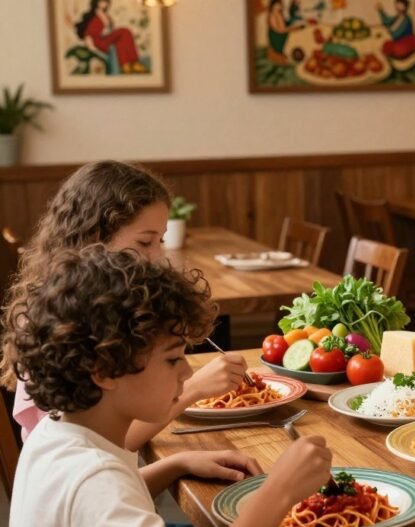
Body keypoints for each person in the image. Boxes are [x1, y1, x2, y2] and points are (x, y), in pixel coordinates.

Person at [5, 246, 333, 527]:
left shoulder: (56, 433)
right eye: (173, 359)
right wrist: (278, 491)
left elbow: (100, 506)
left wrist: (176, 465)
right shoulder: (94, 476)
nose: (188, 372)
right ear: (103, 370)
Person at [1, 160, 249, 453]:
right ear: (94, 237)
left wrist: (174, 464)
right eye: (145, 242)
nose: (156, 257)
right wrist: (193, 390)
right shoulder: (63, 321)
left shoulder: (89, 301)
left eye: (160, 240)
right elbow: (102, 444)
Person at [74, 0, 147, 74]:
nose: (104, 4)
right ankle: (125, 65)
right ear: (96, 2)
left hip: (107, 38)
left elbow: (110, 29)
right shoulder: (92, 16)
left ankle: (133, 63)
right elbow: (88, 34)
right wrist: (92, 47)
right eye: (101, 2)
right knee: (124, 32)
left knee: (125, 34)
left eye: (106, 2)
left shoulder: (107, 16)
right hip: (98, 42)